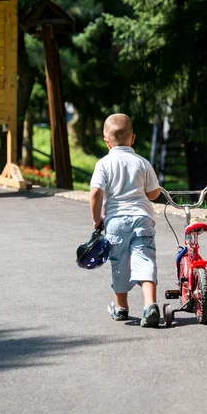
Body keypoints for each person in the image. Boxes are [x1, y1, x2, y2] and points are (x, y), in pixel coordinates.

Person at [90, 113, 161, 327]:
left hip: (115, 221)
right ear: (133, 139)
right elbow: (154, 193)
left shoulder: (104, 163)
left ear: (107, 142)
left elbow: (95, 194)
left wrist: (97, 219)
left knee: (119, 263)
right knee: (145, 259)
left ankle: (120, 307)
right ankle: (150, 304)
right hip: (141, 219)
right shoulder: (142, 162)